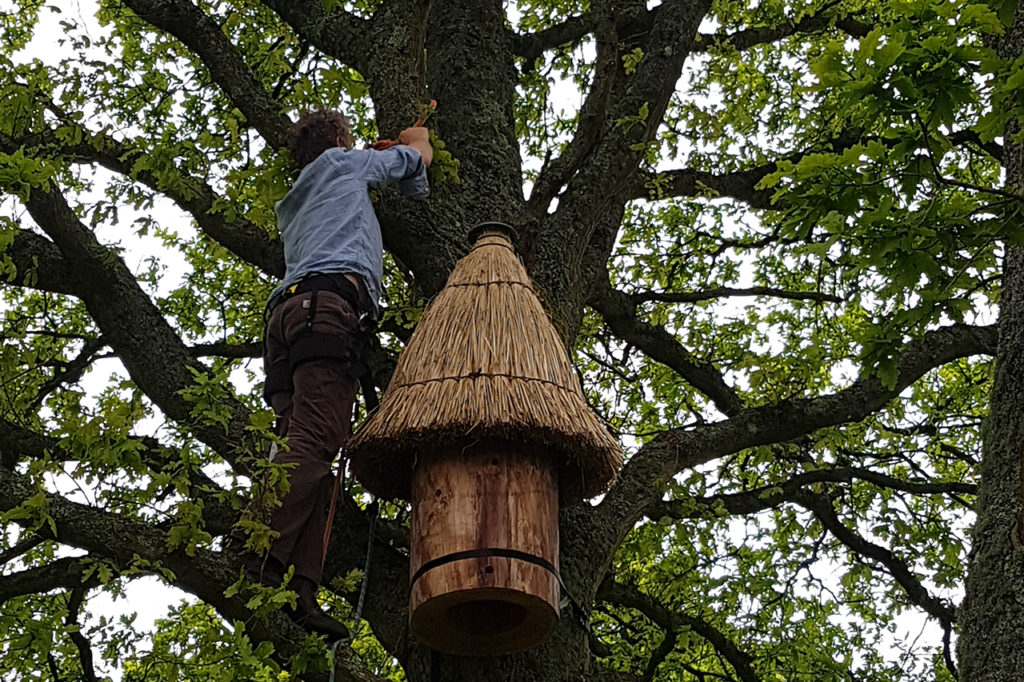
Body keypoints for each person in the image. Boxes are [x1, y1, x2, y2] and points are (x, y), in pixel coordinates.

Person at [242, 109, 432, 638]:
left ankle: (297, 589)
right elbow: (416, 168)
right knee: (318, 437)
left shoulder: (299, 195)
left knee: (308, 448)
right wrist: (416, 140)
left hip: (288, 318)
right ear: (340, 142)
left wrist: (368, 157)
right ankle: (258, 550)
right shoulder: (345, 165)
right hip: (327, 306)